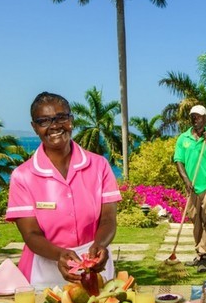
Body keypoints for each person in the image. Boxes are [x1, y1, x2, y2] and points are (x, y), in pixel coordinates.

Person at [6, 91, 120, 288]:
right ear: (35, 127)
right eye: (44, 121)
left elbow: (108, 219)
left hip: (94, 264)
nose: (55, 126)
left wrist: (100, 245)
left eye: (61, 117)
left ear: (71, 120)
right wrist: (59, 254)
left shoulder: (99, 165)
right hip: (44, 268)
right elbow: (31, 234)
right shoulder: (23, 175)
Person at [174, 105, 206, 273]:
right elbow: (179, 161)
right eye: (193, 117)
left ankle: (205, 255)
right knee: (195, 220)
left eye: (199, 117)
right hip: (193, 187)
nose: (196, 119)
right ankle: (199, 253)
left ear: (205, 119)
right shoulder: (183, 138)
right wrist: (186, 180)